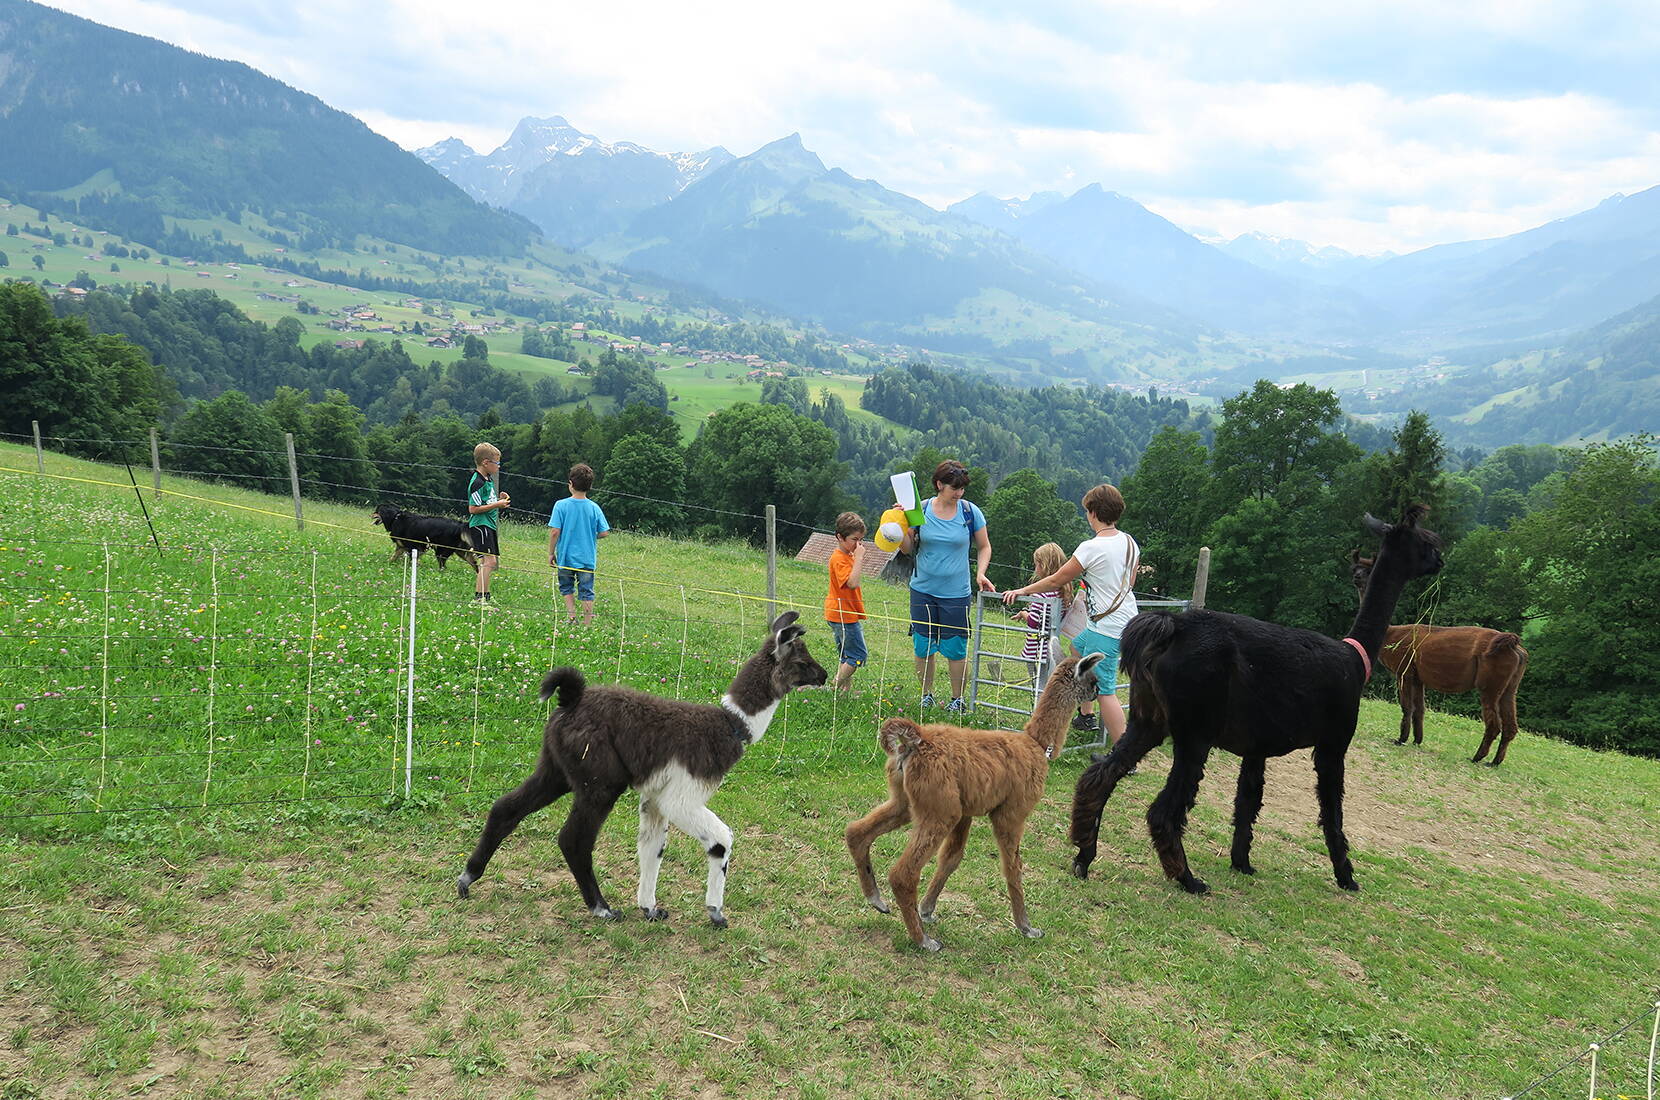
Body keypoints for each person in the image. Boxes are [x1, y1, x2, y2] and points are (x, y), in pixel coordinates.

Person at [1002, 484, 1139, 748]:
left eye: (1087, 510)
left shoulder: (1091, 547)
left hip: (1106, 628)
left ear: (1093, 512)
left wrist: (1022, 590)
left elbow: (1057, 579)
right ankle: (1085, 715)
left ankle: (1125, 754)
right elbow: (1129, 581)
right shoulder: (1129, 542)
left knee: (1107, 691)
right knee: (1077, 647)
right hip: (1127, 621)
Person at [899, 459, 992, 714]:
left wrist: (980, 573)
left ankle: (956, 699)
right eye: (954, 488)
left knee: (955, 648)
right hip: (922, 589)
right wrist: (902, 527)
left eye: (962, 488)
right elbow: (907, 549)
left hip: (956, 593)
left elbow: (984, 546)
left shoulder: (970, 512)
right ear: (939, 484)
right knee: (923, 645)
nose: (959, 493)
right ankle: (926, 695)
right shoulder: (922, 510)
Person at [548, 463, 610, 625]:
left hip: (566, 557)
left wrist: (550, 553)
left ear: (571, 484)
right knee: (586, 591)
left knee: (566, 587)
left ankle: (571, 617)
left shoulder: (560, 505)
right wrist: (589, 536)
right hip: (587, 559)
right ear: (589, 486)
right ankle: (587, 623)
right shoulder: (594, 507)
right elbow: (604, 532)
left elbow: (555, 532)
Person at [1014, 542, 1072, 692]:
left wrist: (1023, 614)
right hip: (1051, 646)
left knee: (1039, 687)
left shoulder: (1042, 593)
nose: (1035, 569)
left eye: (1036, 565)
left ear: (1044, 565)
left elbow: (1034, 621)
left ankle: (1039, 712)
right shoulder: (1063, 591)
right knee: (1047, 685)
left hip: (1036, 648)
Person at [825, 511, 868, 691]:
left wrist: (855, 555)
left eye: (860, 540)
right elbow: (852, 583)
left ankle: (844, 692)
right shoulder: (839, 558)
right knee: (858, 655)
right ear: (839, 537)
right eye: (854, 540)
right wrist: (858, 558)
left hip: (842, 613)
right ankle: (834, 687)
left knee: (846, 655)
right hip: (844, 615)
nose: (857, 544)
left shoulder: (847, 555)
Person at [466, 442, 509, 608]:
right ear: (485, 462)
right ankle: (479, 599)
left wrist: (499, 499)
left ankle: (484, 596)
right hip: (480, 525)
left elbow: (487, 500)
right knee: (488, 562)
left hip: (488, 525)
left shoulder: (487, 479)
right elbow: (473, 508)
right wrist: (496, 505)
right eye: (496, 463)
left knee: (489, 562)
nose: (498, 466)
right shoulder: (477, 482)